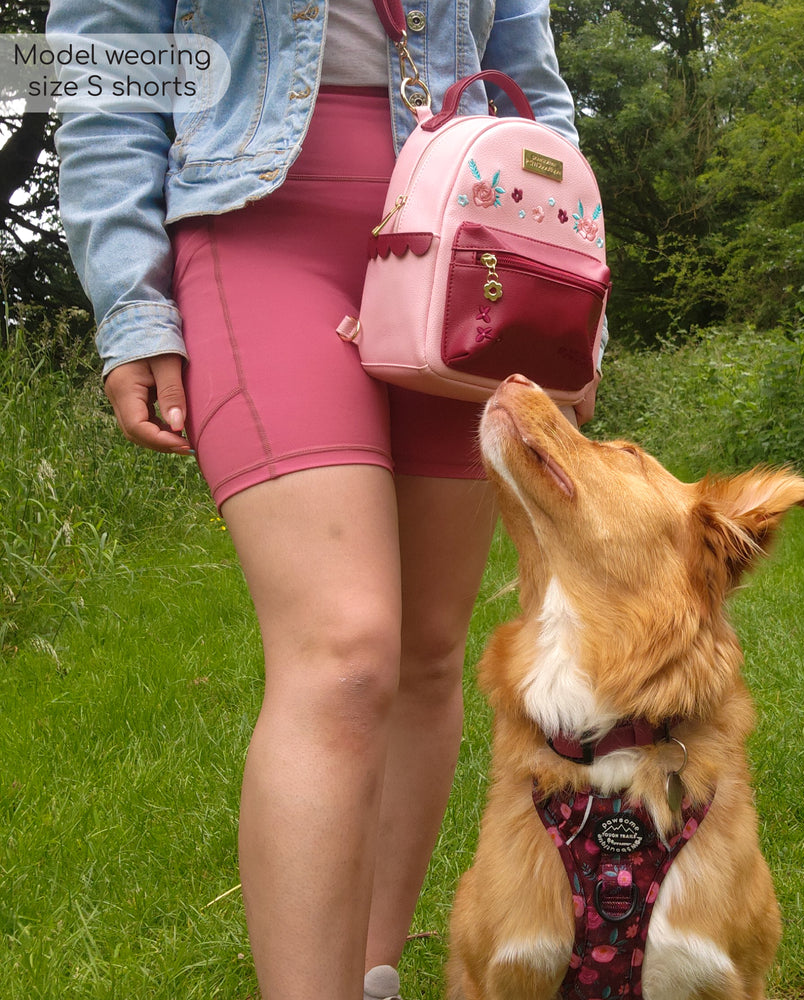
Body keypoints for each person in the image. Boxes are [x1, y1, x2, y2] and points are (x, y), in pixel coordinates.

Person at [47, 1, 589, 998]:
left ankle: (371, 975)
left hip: (470, 241)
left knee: (429, 649)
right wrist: (131, 301)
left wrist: (573, 307)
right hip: (260, 225)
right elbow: (98, 68)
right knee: (344, 649)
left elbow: (532, 83)